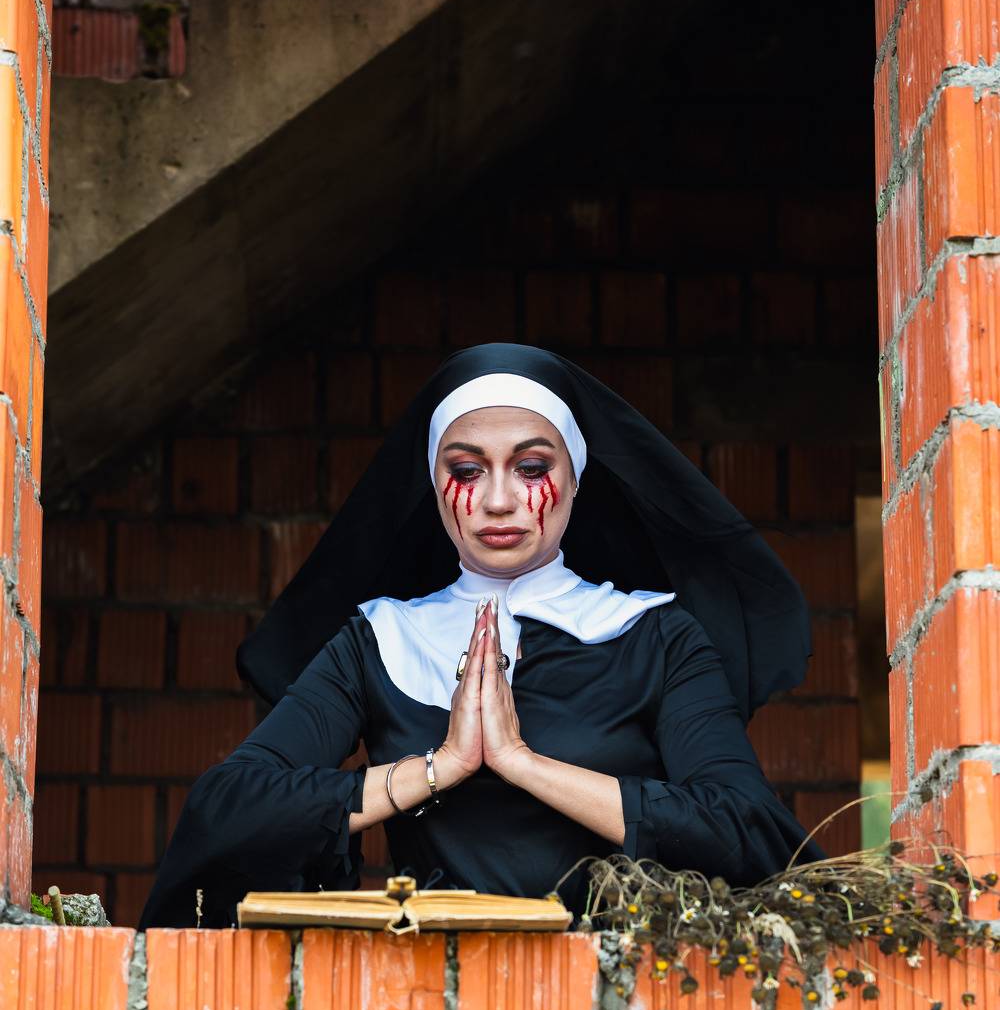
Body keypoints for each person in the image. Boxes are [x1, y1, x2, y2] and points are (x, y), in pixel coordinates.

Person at [138, 343, 825, 930]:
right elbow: (227, 811)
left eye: (532, 468)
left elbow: (749, 833)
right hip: (427, 1001)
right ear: (434, 484)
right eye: (466, 470)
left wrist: (523, 764)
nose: (498, 501)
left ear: (576, 477)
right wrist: (441, 767)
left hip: (619, 1007)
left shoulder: (656, 635)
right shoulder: (379, 639)